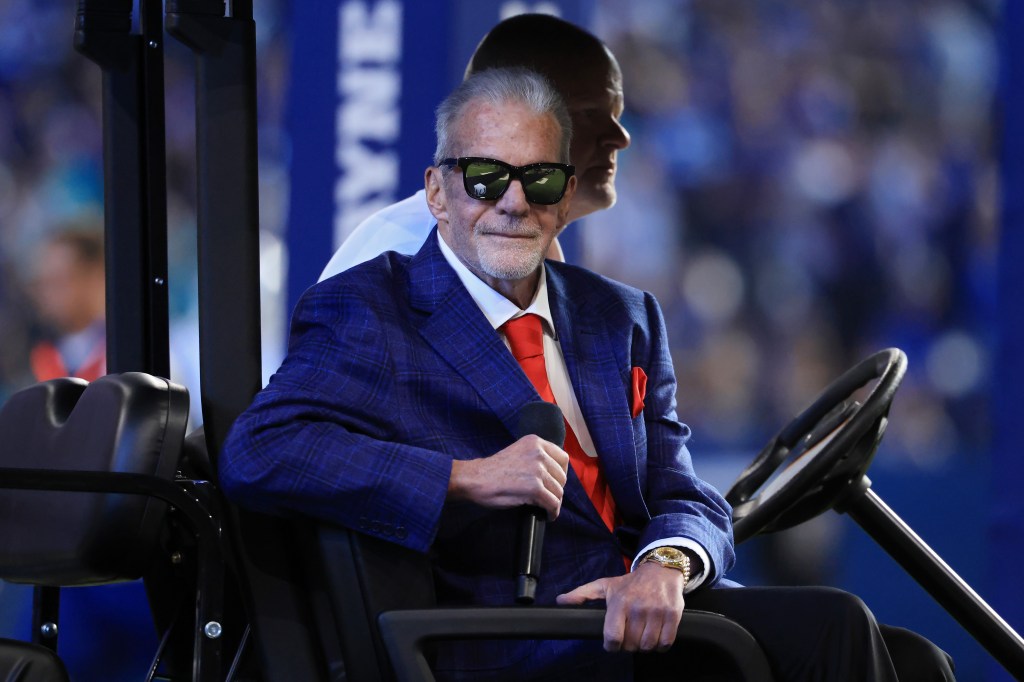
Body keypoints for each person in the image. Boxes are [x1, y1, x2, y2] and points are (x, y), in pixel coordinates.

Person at [222, 67, 948, 681]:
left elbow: (682, 490)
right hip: (510, 638)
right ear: (438, 193)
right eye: (484, 177)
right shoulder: (372, 307)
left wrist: (666, 563)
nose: (512, 201)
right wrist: (463, 477)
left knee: (916, 661)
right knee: (837, 623)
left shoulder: (620, 316)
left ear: (565, 196)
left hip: (656, 615)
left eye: (537, 179)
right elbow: (261, 450)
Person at [318, 13, 629, 280]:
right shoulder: (405, 262)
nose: (620, 137)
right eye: (590, 113)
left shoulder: (516, 247)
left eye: (616, 115)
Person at [29, 227, 107, 382]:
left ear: (95, 277)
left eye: (59, 281)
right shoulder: (45, 357)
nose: (48, 294)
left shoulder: (121, 350)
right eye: (44, 283)